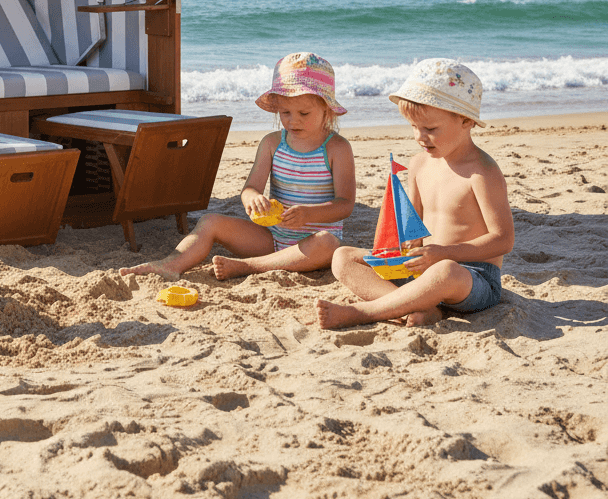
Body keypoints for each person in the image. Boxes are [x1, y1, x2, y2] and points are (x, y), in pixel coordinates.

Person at [120, 52, 355, 280]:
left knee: (328, 244)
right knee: (209, 221)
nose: (293, 120)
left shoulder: (337, 148)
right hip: (271, 238)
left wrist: (309, 214)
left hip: (313, 243)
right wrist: (253, 200)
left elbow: (345, 204)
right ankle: (171, 264)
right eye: (285, 112)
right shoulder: (272, 144)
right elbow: (250, 188)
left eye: (304, 113)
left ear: (326, 108)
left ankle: (249, 267)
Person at [317, 59, 514, 329]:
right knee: (343, 258)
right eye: (413, 127)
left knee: (445, 271)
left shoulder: (482, 173)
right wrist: (403, 250)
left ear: (466, 120)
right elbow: (415, 229)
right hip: (422, 267)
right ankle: (420, 308)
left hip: (470, 276)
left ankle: (366, 312)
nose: (419, 137)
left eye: (430, 129)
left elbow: (503, 240)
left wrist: (444, 253)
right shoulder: (419, 164)